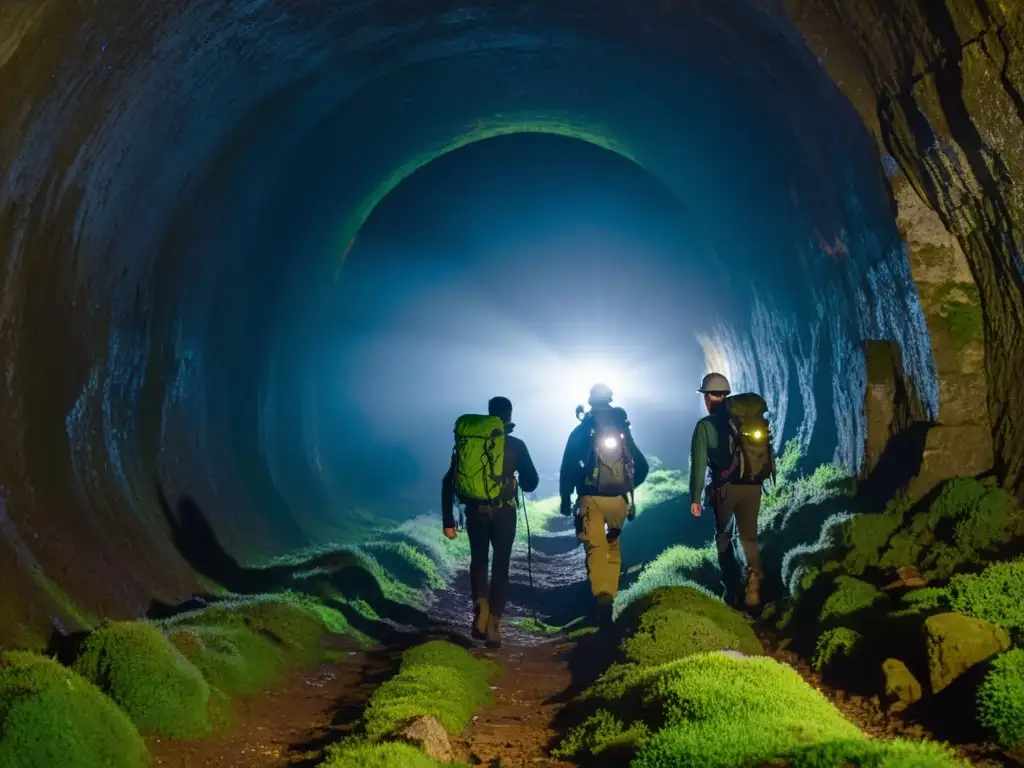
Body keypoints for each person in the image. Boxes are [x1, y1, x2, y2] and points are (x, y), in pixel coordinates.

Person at [442, 396, 538, 648]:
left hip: (475, 510)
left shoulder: (469, 443)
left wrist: (448, 521)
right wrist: (516, 478)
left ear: (489, 414)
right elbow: (532, 482)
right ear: (509, 415)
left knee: (479, 560)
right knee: (501, 565)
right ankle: (494, 624)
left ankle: (480, 609)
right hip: (505, 511)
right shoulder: (516, 444)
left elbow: (448, 481)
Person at [559, 383, 649, 628]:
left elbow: (567, 466)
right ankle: (609, 595)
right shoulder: (622, 429)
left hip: (591, 499)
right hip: (618, 502)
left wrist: (566, 498)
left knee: (595, 548)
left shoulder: (582, 430)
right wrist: (626, 487)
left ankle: (602, 597)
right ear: (610, 401)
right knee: (613, 546)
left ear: (590, 403)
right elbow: (642, 467)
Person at [688, 372, 772, 608]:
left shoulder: (705, 425)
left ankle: (732, 590)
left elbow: (699, 464)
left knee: (723, 536)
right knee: (749, 536)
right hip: (753, 487)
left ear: (707, 398)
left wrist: (695, 497)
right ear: (725, 395)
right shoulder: (743, 420)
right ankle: (754, 586)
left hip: (725, 491)